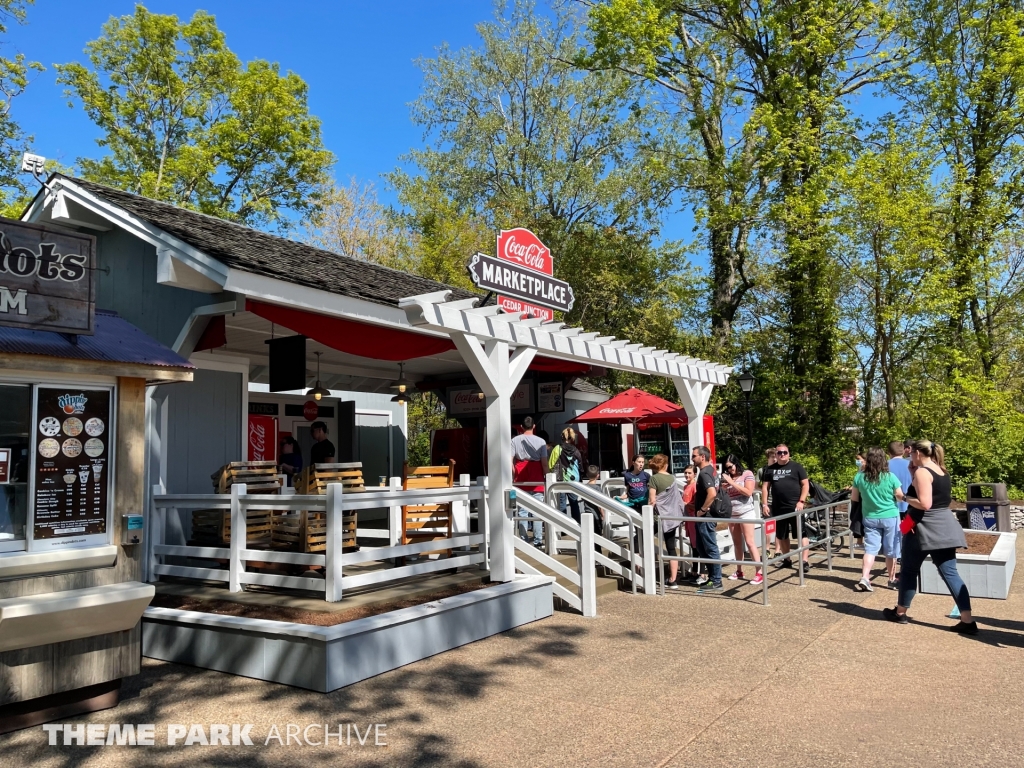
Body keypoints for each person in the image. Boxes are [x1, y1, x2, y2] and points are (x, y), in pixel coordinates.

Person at [884, 441, 978, 634]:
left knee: (909, 571)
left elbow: (925, 503)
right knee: (951, 573)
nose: (910, 457)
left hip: (922, 527)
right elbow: (932, 496)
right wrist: (911, 473)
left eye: (911, 454)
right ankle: (968, 620)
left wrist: (901, 497)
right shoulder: (941, 471)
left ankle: (900, 613)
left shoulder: (922, 472)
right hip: (944, 525)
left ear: (918, 453)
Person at [851, 446, 904, 592]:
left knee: (870, 549)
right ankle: (891, 579)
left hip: (869, 517)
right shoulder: (890, 477)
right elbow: (899, 496)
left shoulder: (859, 477)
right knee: (891, 550)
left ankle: (865, 577)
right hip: (890, 516)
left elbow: (854, 498)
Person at [760, 444, 811, 572]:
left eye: (785, 452)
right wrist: (764, 504)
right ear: (776, 455)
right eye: (779, 453)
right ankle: (787, 559)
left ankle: (805, 561)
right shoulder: (770, 469)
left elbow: (805, 484)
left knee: (801, 534)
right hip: (778, 507)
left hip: (795, 507)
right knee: (781, 535)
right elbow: (765, 487)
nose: (782, 454)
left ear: (789, 453)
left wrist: (801, 501)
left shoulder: (796, 467)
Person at [721, 454, 763, 584]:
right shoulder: (728, 477)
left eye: (731, 466)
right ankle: (739, 570)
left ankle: (759, 572)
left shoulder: (747, 473)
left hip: (746, 512)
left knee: (750, 542)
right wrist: (723, 488)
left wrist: (732, 482)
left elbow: (748, 492)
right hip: (732, 513)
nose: (729, 470)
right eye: (727, 468)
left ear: (736, 463)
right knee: (737, 543)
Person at [647, 454, 684, 589]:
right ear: (665, 464)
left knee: (639, 540)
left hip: (657, 517)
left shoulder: (654, 478)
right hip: (671, 517)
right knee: (671, 547)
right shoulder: (672, 478)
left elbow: (652, 500)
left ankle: (641, 573)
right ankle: (673, 579)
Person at [691, 445, 724, 594]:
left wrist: (702, 510)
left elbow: (711, 493)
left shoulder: (704, 473)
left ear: (702, 457)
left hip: (706, 517)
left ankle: (716, 580)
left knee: (710, 547)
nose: (692, 459)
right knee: (702, 547)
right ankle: (713, 578)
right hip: (706, 517)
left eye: (694, 456)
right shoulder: (711, 470)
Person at [512, 416, 549, 546]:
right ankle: (538, 540)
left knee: (522, 510)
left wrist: (514, 474)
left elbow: (510, 461)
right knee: (537, 510)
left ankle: (523, 539)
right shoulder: (541, 442)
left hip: (520, 474)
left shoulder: (514, 440)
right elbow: (544, 463)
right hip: (536, 474)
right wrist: (547, 477)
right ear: (534, 426)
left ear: (521, 427)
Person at [549, 427, 583, 522]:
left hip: (561, 479)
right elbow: (581, 466)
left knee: (562, 503)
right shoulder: (576, 450)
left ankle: (564, 528)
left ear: (562, 437)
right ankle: (577, 525)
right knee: (574, 503)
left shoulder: (557, 448)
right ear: (572, 438)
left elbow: (551, 464)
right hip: (574, 481)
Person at [679, 464, 702, 582]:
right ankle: (694, 571)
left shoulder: (694, 486)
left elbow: (697, 505)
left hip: (693, 517)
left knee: (696, 545)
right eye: (686, 473)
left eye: (689, 473)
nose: (687, 475)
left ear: (694, 474)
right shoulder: (685, 487)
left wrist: (685, 504)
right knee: (693, 545)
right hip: (688, 518)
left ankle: (698, 572)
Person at [756, 448, 778, 557]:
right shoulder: (762, 470)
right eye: (772, 456)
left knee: (779, 527)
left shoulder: (780, 469)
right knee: (768, 527)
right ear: (768, 457)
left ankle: (778, 551)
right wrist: (765, 489)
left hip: (779, 502)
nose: (775, 458)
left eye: (776, 456)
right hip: (767, 503)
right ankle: (767, 549)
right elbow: (756, 485)